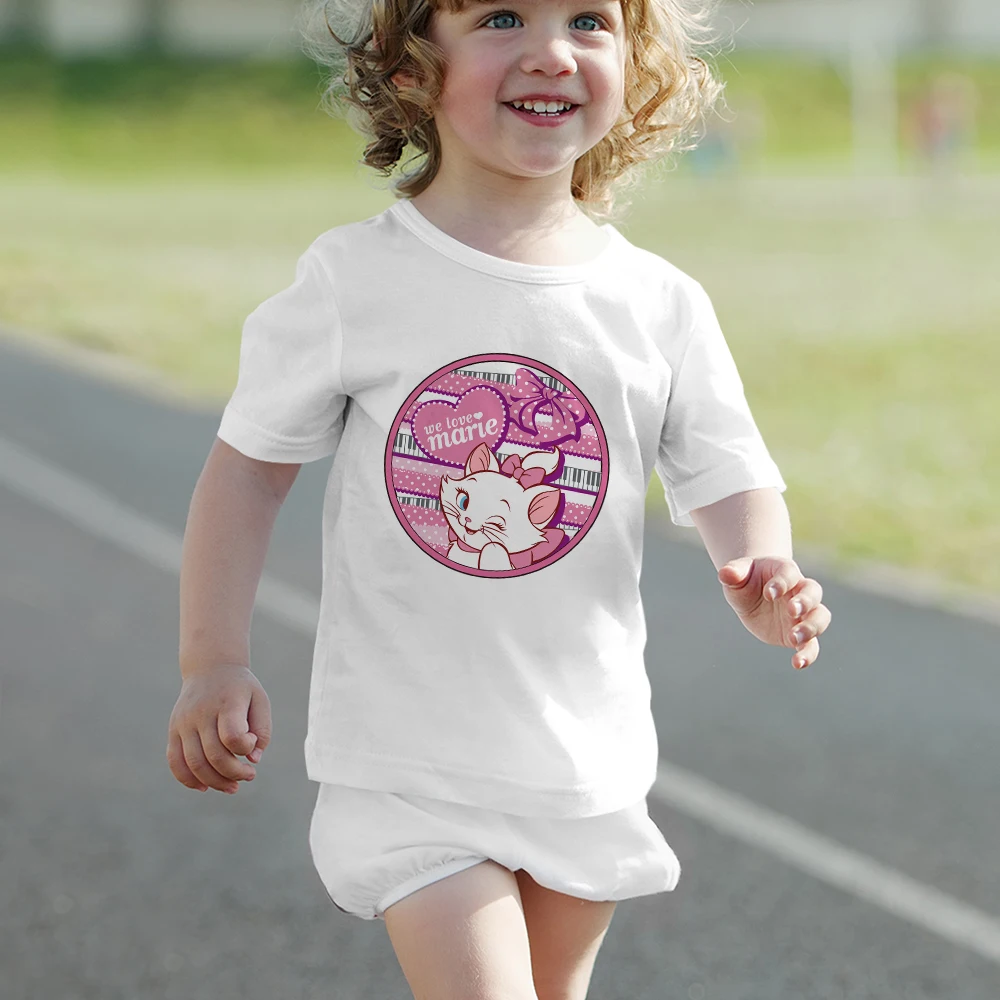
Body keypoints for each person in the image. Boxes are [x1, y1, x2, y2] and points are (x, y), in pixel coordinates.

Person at [166, 0, 832, 995]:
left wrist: (762, 568)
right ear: (411, 67)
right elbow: (247, 472)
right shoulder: (356, 279)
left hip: (582, 762)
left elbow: (730, 471)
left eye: (588, 20)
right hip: (407, 767)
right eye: (503, 16)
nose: (551, 51)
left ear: (637, 66)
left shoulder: (659, 303)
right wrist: (212, 659)